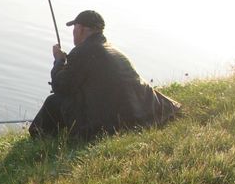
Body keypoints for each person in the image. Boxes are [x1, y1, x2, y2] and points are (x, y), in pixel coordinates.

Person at [29, 10, 180, 139]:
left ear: (81, 29)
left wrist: (59, 62)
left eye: (74, 28)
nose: (73, 32)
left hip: (108, 124)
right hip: (137, 114)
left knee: (54, 101)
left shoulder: (83, 52)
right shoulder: (113, 50)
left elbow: (60, 87)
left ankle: (40, 137)